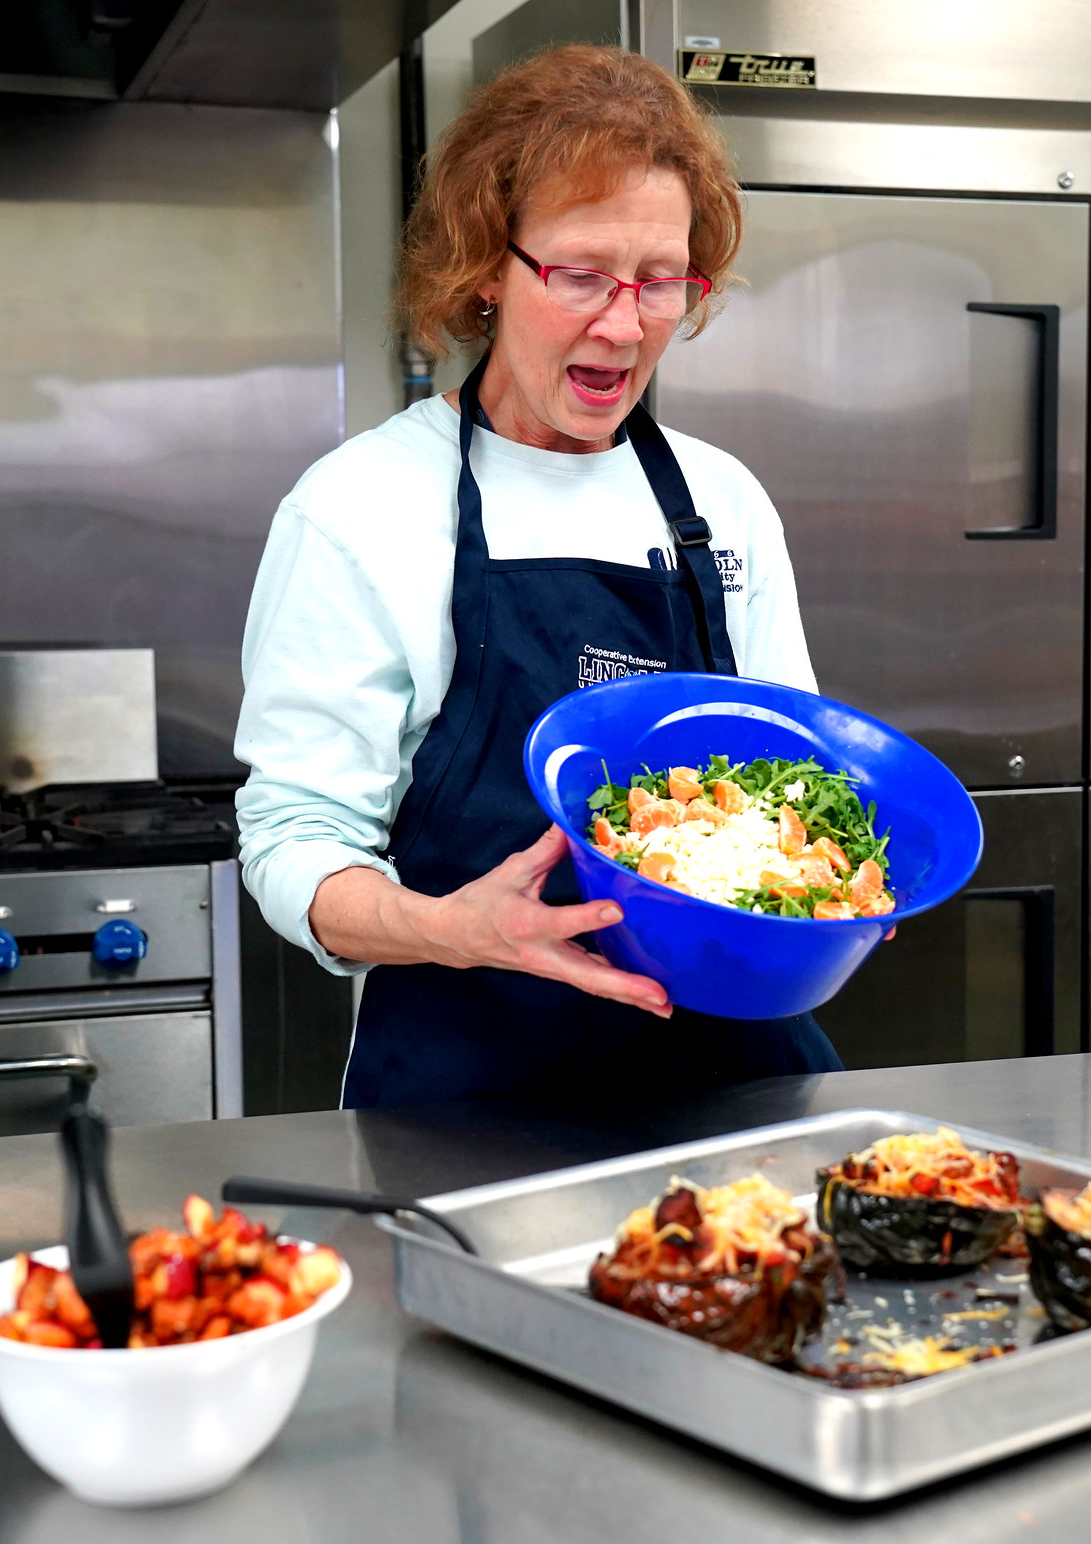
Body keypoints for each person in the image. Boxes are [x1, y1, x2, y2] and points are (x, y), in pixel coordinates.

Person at [233, 45, 842, 1108]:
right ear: (485, 264)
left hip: (728, 1084)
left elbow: (792, 774)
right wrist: (451, 927)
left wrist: (835, 884)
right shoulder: (359, 508)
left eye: (660, 279)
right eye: (578, 274)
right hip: (469, 1097)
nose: (624, 322)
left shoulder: (721, 500)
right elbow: (294, 845)